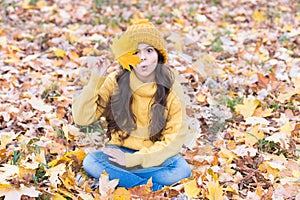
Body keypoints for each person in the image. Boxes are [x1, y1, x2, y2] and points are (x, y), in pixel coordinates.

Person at [72, 19, 191, 191]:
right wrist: (95, 80)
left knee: (181, 170)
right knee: (91, 162)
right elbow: (82, 119)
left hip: (153, 157)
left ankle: (123, 181)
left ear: (159, 55)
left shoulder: (171, 87)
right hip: (120, 151)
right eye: (136, 52)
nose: (142, 57)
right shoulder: (116, 81)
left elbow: (174, 138)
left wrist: (135, 160)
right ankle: (151, 188)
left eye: (149, 50)